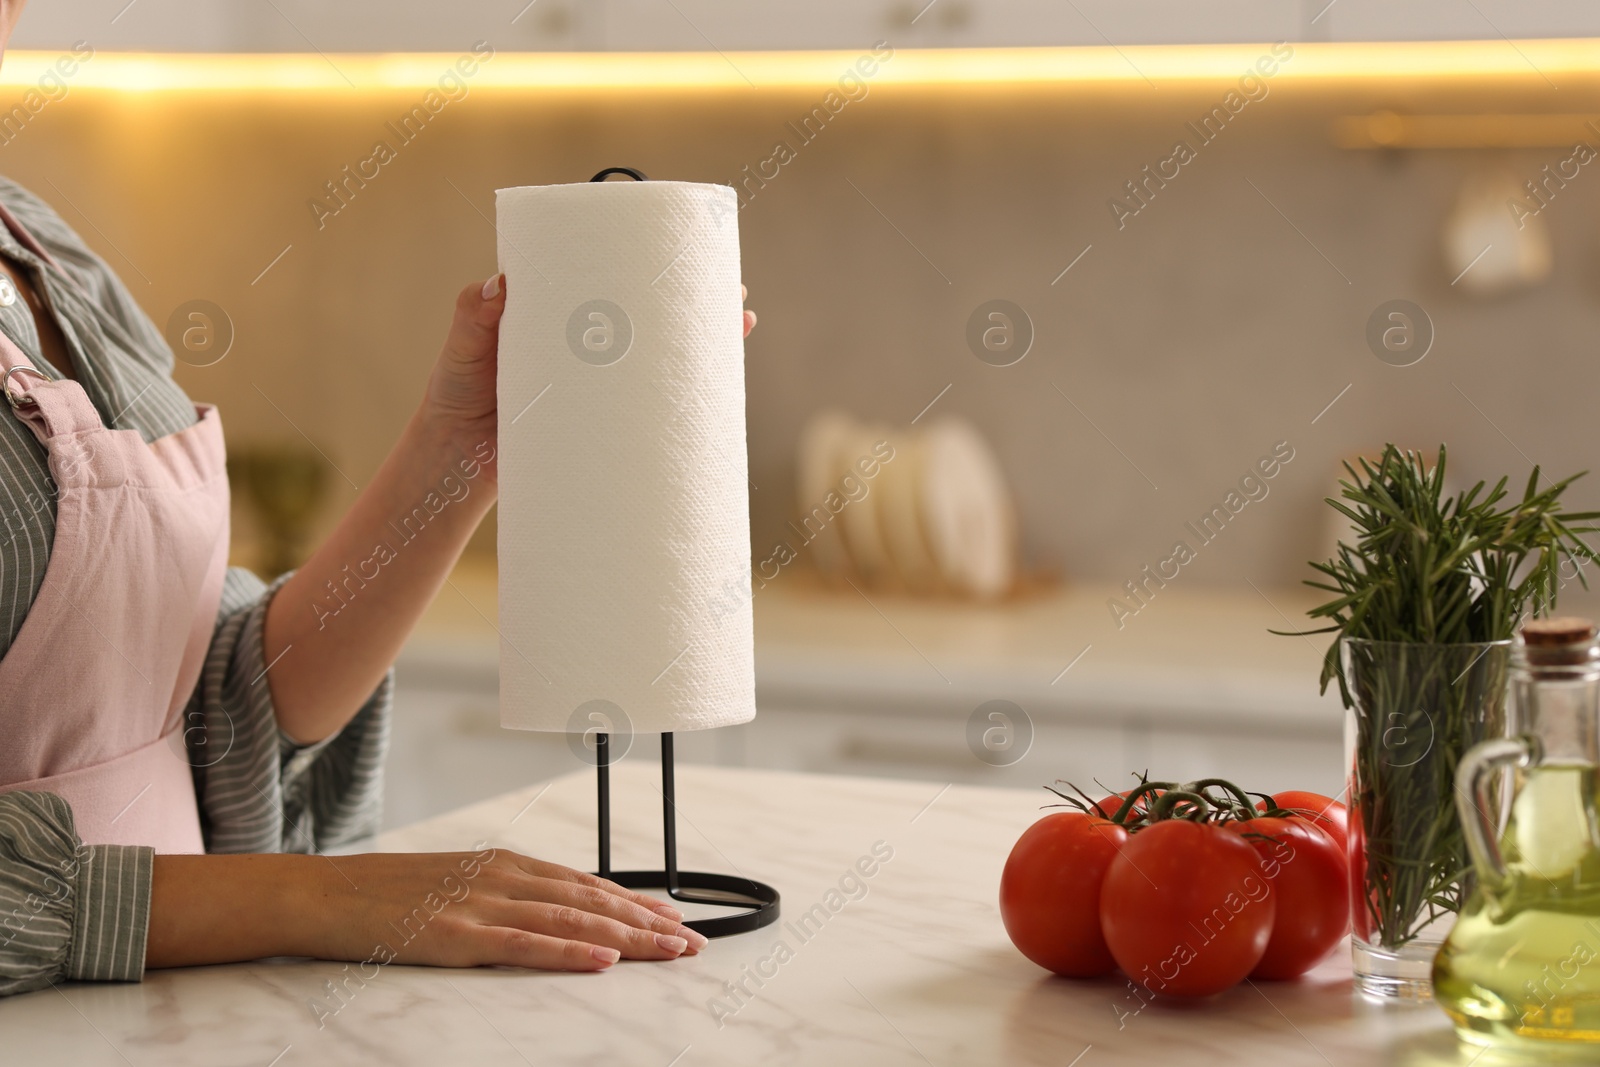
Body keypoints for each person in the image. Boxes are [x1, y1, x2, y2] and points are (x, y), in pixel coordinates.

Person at [0, 2, 758, 996]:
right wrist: (313, 898)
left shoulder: (39, 245)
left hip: (171, 1013)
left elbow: (198, 700)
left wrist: (463, 449)